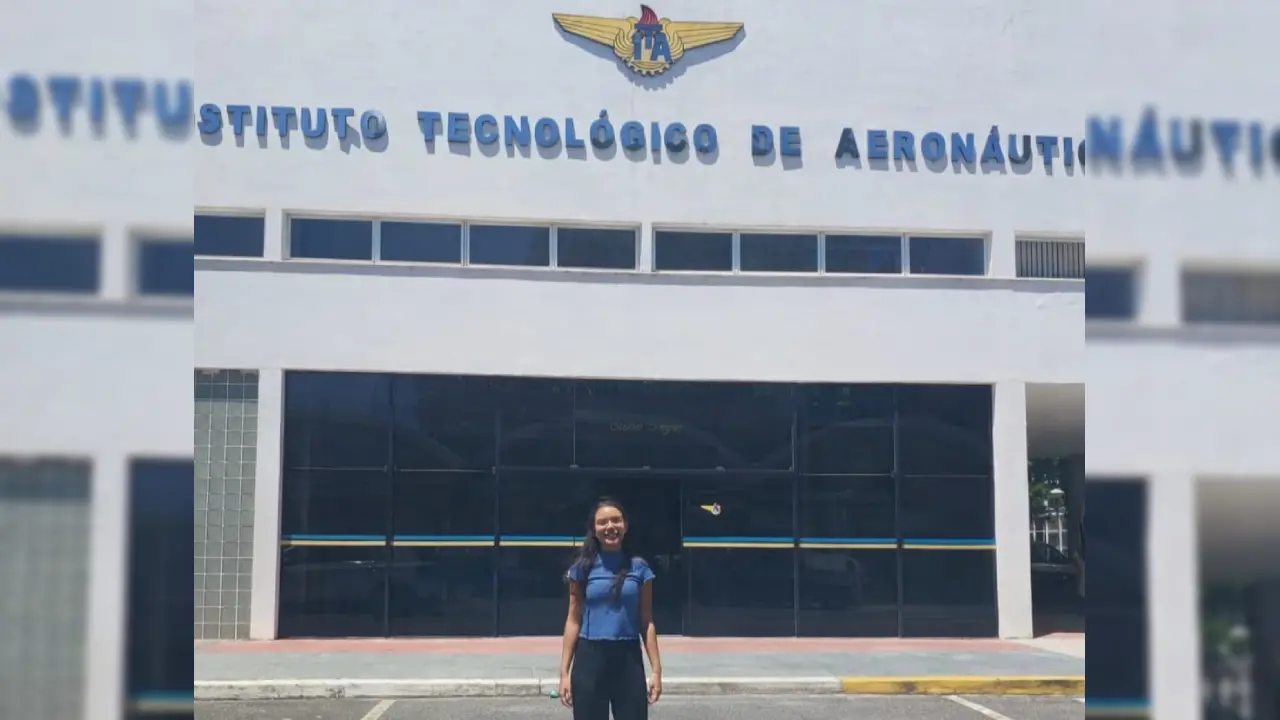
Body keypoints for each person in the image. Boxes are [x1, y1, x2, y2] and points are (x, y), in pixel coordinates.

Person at [557, 498, 663, 720]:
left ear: (625, 526)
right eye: (603, 522)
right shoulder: (582, 568)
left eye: (616, 520)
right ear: (594, 529)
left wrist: (656, 671)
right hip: (590, 658)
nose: (610, 527)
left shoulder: (640, 568)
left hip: (628, 659)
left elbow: (647, 621)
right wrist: (564, 673)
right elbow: (573, 619)